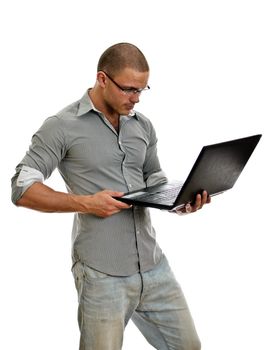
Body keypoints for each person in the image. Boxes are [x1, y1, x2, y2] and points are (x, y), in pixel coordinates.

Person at [11, 43, 210, 350]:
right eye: (129, 89)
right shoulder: (62, 126)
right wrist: (85, 202)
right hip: (101, 274)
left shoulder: (142, 125)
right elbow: (22, 188)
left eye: (143, 90)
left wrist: (177, 200)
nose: (136, 99)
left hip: (153, 265)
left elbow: (153, 174)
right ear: (102, 79)